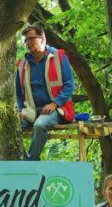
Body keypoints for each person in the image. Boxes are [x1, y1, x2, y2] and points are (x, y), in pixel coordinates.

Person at [15, 23, 75, 161]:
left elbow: (69, 85)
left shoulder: (58, 56)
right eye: (25, 40)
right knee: (10, 128)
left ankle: (31, 163)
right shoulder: (22, 64)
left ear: (42, 38)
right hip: (30, 110)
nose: (27, 43)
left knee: (40, 125)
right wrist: (18, 110)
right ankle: (27, 161)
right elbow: (17, 92)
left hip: (56, 109)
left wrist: (55, 103)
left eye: (31, 38)